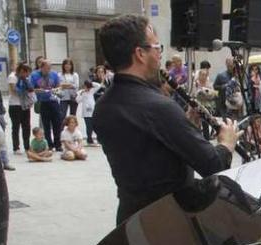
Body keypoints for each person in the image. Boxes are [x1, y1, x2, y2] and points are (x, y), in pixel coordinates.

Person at [93, 14, 237, 224]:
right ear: (140, 53)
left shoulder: (103, 105)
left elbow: (148, 152)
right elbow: (213, 165)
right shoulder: (158, 106)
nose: (160, 53)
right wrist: (227, 143)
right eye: (157, 47)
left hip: (130, 218)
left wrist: (186, 127)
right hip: (169, 222)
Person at [8, 62, 33, 156]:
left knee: (26, 126)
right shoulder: (12, 77)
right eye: (26, 73)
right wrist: (25, 91)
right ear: (21, 71)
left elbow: (31, 89)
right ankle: (16, 147)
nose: (27, 75)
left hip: (25, 104)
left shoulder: (26, 79)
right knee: (16, 126)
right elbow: (13, 90)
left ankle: (27, 146)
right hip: (15, 105)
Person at [76, 79, 101, 146]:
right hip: (86, 113)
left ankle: (98, 139)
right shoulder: (81, 92)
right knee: (89, 126)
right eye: (86, 86)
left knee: (94, 125)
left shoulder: (91, 91)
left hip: (93, 111)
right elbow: (77, 100)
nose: (88, 88)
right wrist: (81, 93)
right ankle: (89, 139)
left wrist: (91, 84)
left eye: (88, 86)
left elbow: (98, 85)